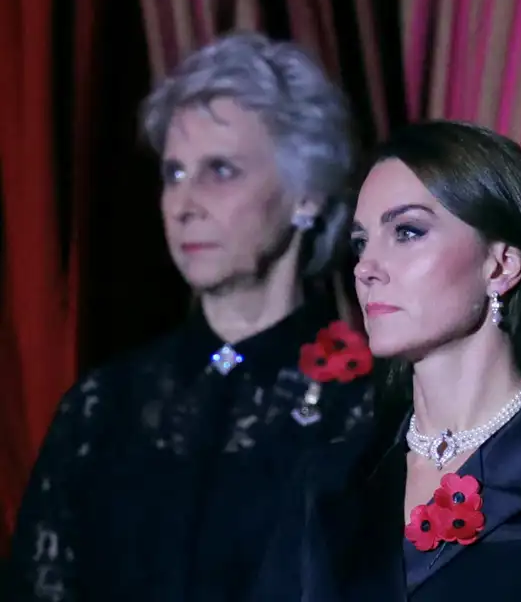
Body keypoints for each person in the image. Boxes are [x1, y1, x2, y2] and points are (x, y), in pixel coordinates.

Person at [5, 32, 376, 601]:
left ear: (308, 196)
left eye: (221, 171)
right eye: (174, 173)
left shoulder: (371, 405)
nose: (184, 204)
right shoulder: (104, 407)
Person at [248, 121, 521, 601]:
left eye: (407, 232)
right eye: (361, 242)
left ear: (501, 265)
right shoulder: (326, 482)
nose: (367, 268)